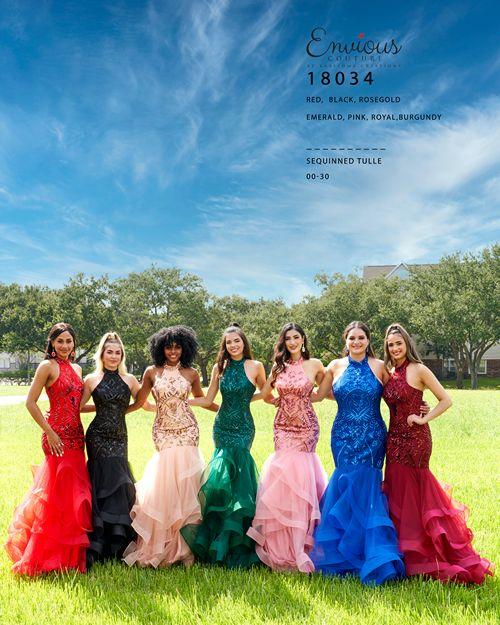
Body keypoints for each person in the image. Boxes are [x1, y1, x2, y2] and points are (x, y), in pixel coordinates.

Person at [382, 323, 493, 584]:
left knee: (417, 494)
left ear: (407, 344)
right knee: (398, 492)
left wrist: (424, 418)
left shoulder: (418, 369)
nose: (395, 348)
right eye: (390, 344)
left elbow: (446, 399)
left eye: (399, 343)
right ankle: (404, 552)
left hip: (415, 440)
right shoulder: (389, 372)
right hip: (393, 439)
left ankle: (428, 554)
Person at [309, 320, 405, 585]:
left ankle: (369, 553)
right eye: (352, 338)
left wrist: (417, 406)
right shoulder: (334, 367)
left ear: (368, 340)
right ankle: (342, 554)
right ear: (346, 340)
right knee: (345, 486)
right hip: (342, 435)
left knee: (368, 489)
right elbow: (320, 396)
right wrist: (287, 393)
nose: (357, 342)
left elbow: (397, 394)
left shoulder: (379, 367)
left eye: (361, 338)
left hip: (372, 435)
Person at [123, 325, 214, 567]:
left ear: (185, 348)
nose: (173, 351)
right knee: (164, 484)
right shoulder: (151, 372)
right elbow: (140, 401)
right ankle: (163, 545)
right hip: (163, 432)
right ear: (160, 348)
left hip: (188, 431)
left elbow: (202, 399)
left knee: (187, 485)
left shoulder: (192, 373)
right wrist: (114, 411)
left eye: (177, 347)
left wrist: (228, 409)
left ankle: (186, 549)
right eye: (168, 346)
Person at [4, 323, 92, 575]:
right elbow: (30, 402)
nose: (65, 346)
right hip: (56, 437)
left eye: (69, 341)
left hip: (77, 436)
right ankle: (44, 556)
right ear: (52, 344)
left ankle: (69, 558)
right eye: (60, 341)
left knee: (72, 498)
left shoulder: (76, 368)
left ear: (74, 344)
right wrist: (49, 432)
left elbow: (77, 405)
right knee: (54, 498)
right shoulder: (46, 367)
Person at [181, 323, 266, 568]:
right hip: (222, 427)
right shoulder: (221, 367)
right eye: (228, 342)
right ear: (225, 346)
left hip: (244, 427)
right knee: (220, 480)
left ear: (243, 343)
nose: (233, 345)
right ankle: (215, 540)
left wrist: (249, 400)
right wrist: (184, 401)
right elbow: (209, 399)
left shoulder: (256, 366)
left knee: (240, 481)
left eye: (236, 341)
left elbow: (265, 391)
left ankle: (238, 542)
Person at [247, 323, 328, 572]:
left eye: (296, 337)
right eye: (288, 338)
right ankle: (280, 545)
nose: (292, 342)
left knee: (301, 481)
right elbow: (265, 392)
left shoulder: (315, 365)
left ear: (303, 339)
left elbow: (323, 394)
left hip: (305, 428)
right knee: (282, 482)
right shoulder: (277, 367)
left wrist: (303, 400)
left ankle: (301, 544)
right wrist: (277, 400)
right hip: (282, 427)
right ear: (283, 342)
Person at [80, 332, 147, 566]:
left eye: (118, 352)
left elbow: (141, 402)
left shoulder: (129, 379)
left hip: (119, 437)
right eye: (110, 352)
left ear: (122, 355)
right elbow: (79, 406)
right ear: (102, 354)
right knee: (102, 482)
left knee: (119, 481)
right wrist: (102, 411)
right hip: (97, 436)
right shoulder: (91, 379)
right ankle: (99, 543)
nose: (114, 356)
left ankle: (118, 543)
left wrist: (121, 412)